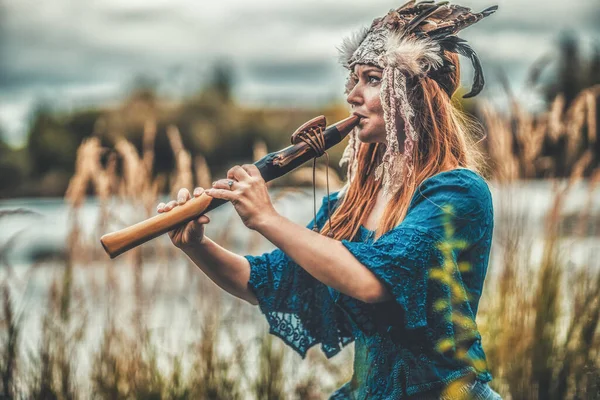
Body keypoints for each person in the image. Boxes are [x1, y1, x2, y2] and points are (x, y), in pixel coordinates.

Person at [157, 1, 502, 398]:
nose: (352, 95)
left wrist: (266, 218)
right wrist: (197, 245)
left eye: (372, 79)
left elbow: (372, 283)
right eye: (353, 79)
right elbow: (266, 283)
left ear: (415, 94)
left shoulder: (457, 193)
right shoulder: (353, 202)